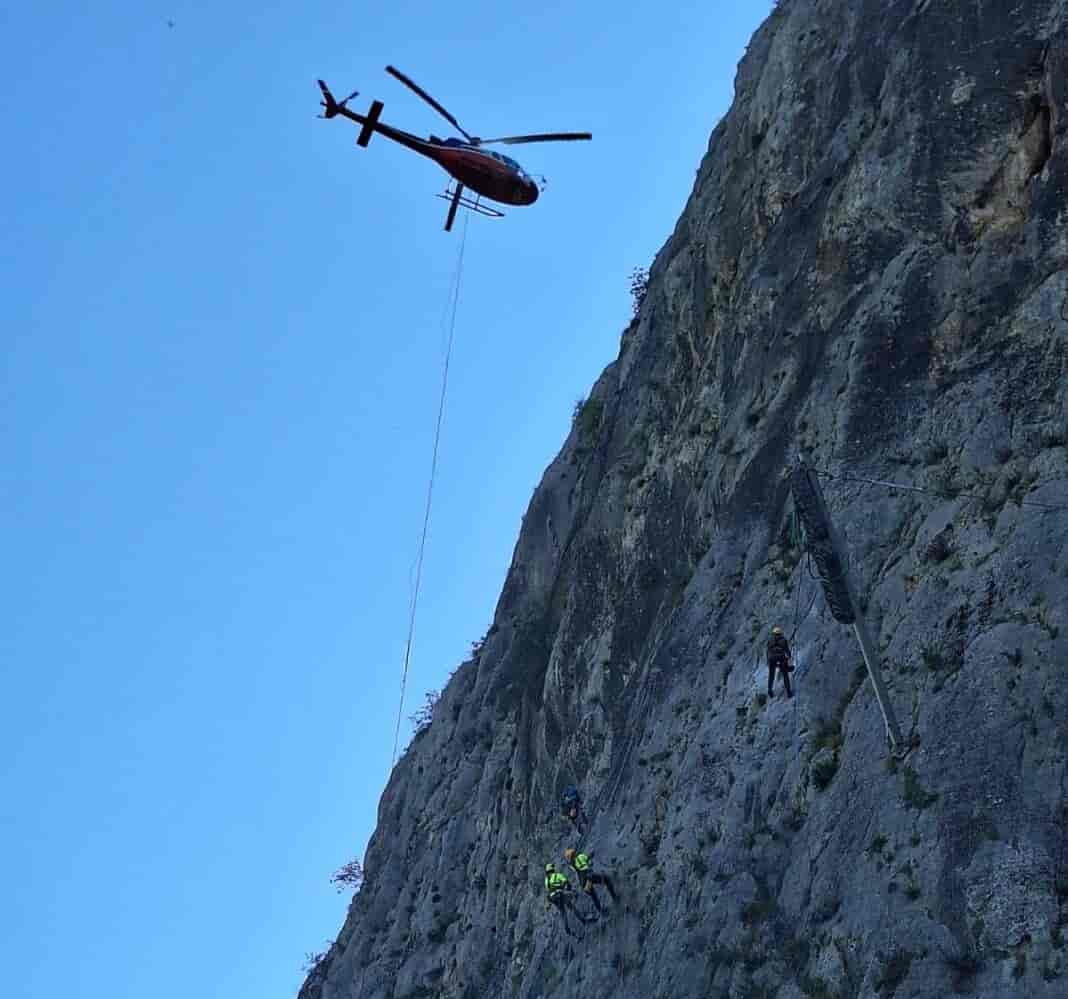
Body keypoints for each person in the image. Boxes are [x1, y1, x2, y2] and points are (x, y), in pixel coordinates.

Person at [564, 847, 617, 913]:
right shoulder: (580, 857)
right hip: (589, 877)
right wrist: (590, 856)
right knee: (606, 879)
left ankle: (601, 911)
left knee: (594, 896)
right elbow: (586, 861)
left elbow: (579, 867)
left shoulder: (571, 865)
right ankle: (615, 898)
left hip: (583, 884)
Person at [544, 863, 584, 936]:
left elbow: (549, 890)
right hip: (559, 895)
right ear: (553, 869)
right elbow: (566, 883)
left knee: (563, 913)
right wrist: (570, 889)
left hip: (553, 898)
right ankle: (583, 920)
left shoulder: (546, 880)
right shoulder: (557, 875)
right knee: (571, 906)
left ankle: (567, 930)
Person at [766, 626, 793, 699]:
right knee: (785, 675)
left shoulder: (770, 640)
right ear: (780, 633)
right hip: (781, 658)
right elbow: (787, 650)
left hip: (772, 659)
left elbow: (768, 651)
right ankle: (788, 692)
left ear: (773, 633)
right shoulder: (783, 640)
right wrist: (789, 657)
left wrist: (768, 661)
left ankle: (770, 691)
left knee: (771, 675)